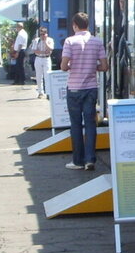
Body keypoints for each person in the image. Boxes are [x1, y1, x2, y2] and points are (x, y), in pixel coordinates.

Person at [60, 11, 108, 172]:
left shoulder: (69, 41)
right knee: (90, 124)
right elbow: (104, 66)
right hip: (91, 88)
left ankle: (78, 161)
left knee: (75, 124)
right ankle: (90, 159)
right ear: (87, 25)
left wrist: (73, 66)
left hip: (74, 88)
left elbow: (63, 66)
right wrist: (91, 67)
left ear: (75, 25)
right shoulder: (97, 42)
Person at [32, 26, 53, 99]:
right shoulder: (36, 40)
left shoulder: (50, 40)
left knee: (47, 76)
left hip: (46, 59)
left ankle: (48, 93)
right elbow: (35, 51)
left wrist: (45, 42)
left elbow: (50, 49)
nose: (42, 36)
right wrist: (43, 52)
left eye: (44, 34)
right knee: (39, 76)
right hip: (38, 58)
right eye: (41, 34)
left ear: (46, 34)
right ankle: (40, 92)